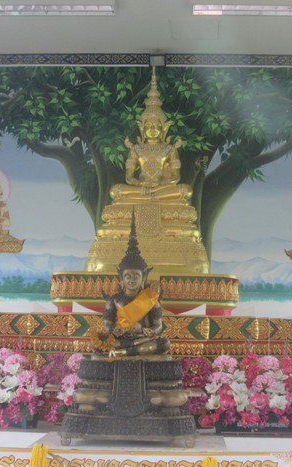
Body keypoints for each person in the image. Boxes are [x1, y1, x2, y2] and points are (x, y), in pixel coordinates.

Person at [91, 214, 170, 357]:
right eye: (128, 276)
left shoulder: (151, 300)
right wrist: (114, 330)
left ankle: (123, 352)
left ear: (143, 278)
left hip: (142, 339)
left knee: (164, 343)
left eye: (136, 276)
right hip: (120, 339)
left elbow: (158, 325)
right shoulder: (114, 300)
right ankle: (125, 350)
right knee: (96, 343)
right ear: (121, 278)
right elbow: (107, 325)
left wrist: (150, 331)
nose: (132, 280)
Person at [110, 68, 191, 204]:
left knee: (185, 190)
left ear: (163, 128)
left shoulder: (170, 149)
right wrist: (139, 184)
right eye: (149, 126)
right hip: (141, 188)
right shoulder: (136, 149)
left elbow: (175, 177)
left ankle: (150, 196)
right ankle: (151, 196)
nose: (152, 129)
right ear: (142, 128)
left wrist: (160, 185)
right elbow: (129, 177)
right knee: (116, 190)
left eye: (156, 126)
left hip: (161, 188)